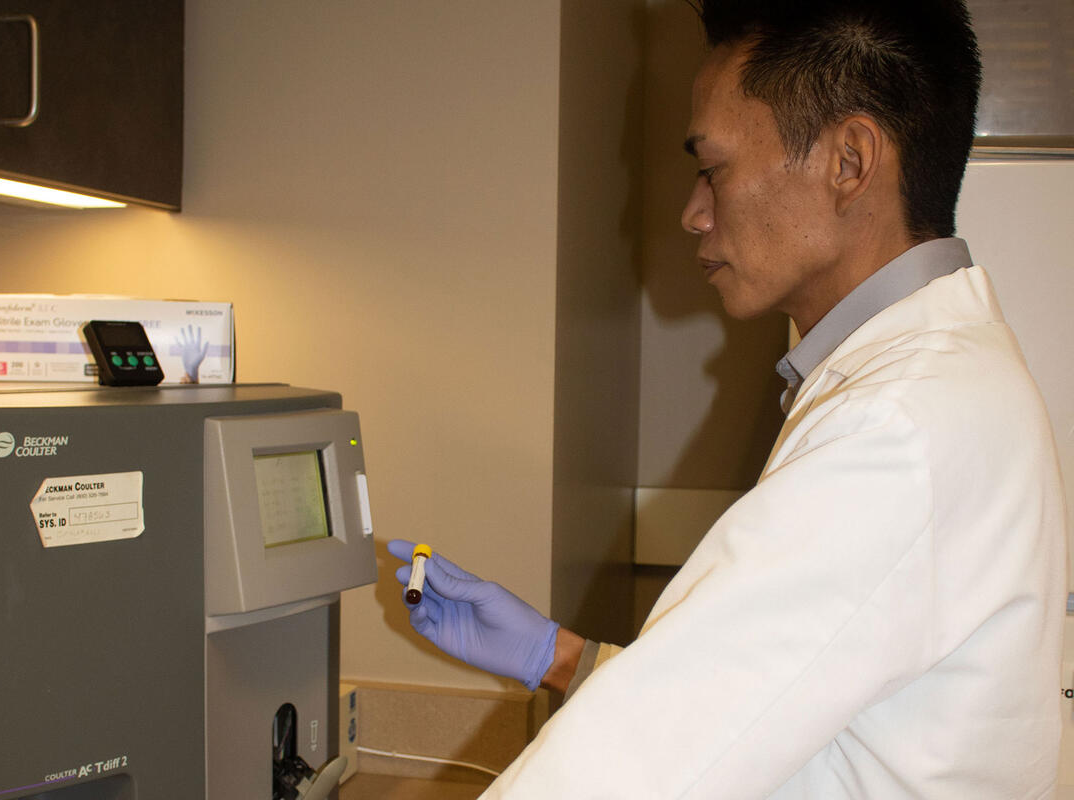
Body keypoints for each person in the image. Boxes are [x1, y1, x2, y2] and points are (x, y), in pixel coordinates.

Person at [390, 0, 1067, 796]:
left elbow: (627, 772)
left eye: (712, 169)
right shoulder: (935, 381)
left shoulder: (898, 425)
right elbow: (798, 703)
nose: (693, 211)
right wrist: (560, 657)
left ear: (849, 162)